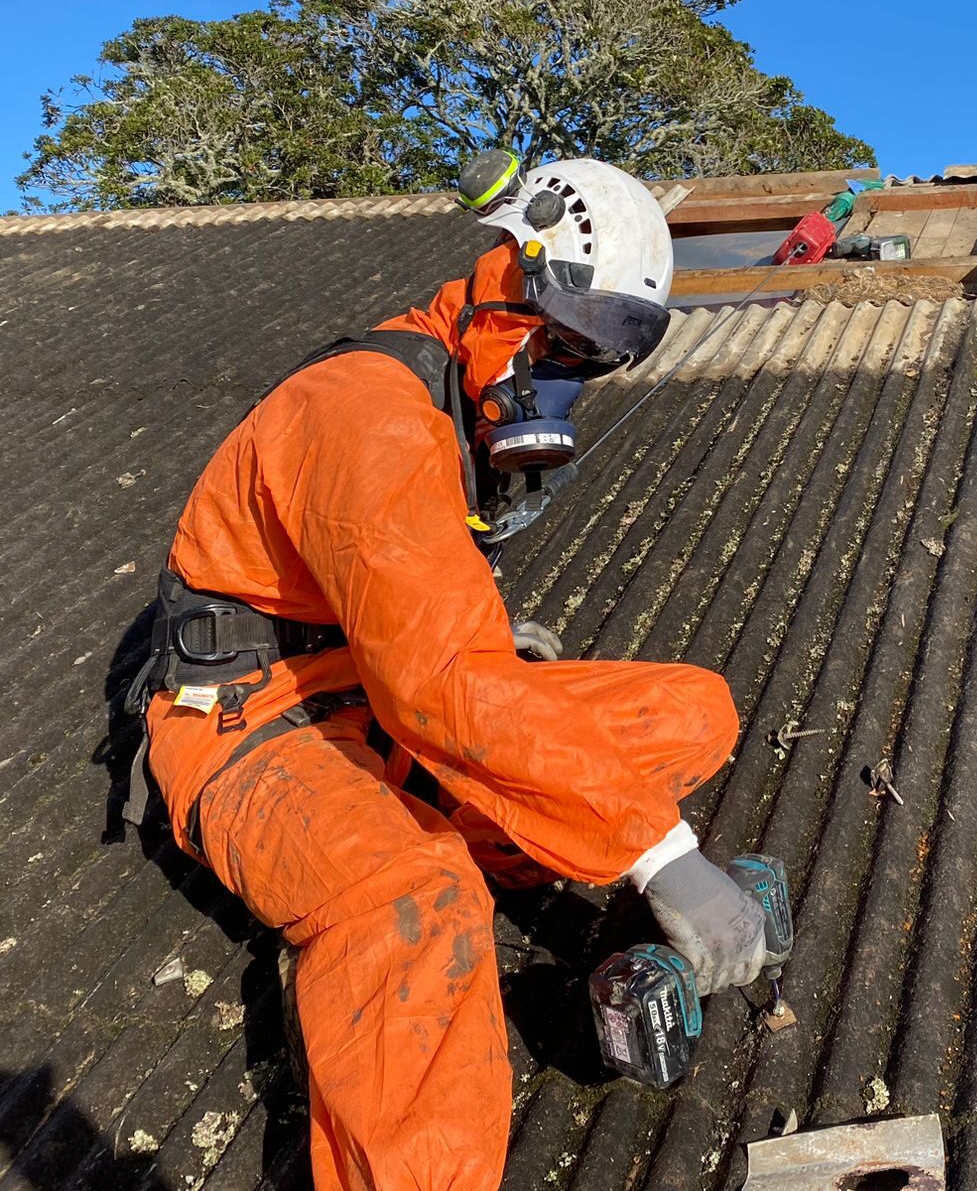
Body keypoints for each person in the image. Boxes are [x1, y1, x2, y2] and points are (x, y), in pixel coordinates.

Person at [123, 154, 767, 1191]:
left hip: (384, 704)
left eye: (592, 359)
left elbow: (424, 628)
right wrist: (663, 855)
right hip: (254, 730)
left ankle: (495, 829)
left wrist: (496, 641)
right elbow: (440, 686)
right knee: (419, 895)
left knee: (689, 710)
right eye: (562, 342)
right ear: (507, 277)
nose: (566, 376)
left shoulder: (453, 402)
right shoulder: (366, 412)